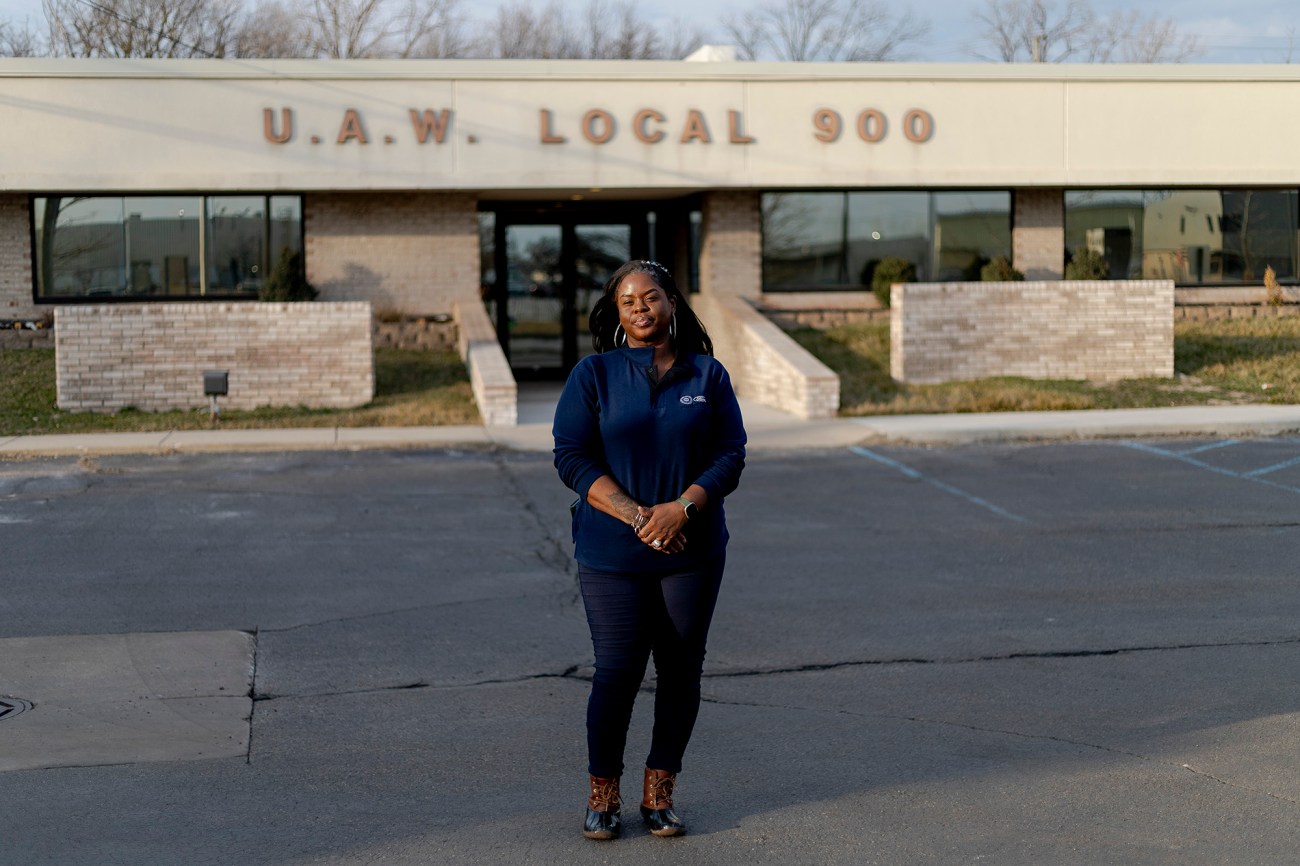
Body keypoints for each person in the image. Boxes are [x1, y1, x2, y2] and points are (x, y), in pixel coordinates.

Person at [553, 259, 746, 841]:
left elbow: (730, 454)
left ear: (671, 304)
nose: (641, 307)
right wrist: (641, 516)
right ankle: (602, 795)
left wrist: (680, 508)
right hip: (612, 553)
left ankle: (659, 794)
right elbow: (572, 457)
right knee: (616, 671)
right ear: (618, 315)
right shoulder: (594, 375)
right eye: (629, 301)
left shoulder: (706, 375)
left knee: (681, 674)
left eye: (651, 297)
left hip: (692, 551)